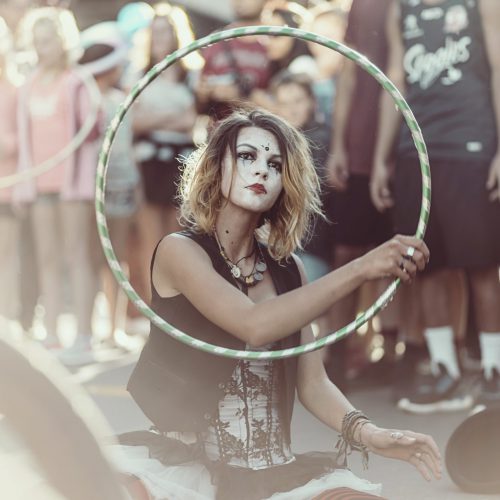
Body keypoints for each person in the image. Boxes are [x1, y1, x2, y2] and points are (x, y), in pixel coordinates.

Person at [110, 107, 440, 500]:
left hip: (273, 475)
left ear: (286, 183)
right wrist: (362, 268)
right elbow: (253, 324)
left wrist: (371, 434)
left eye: (275, 163)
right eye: (247, 157)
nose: (261, 170)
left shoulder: (288, 271)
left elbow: (313, 382)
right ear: (218, 168)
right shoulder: (179, 252)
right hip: (187, 470)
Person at [370, 0, 500, 411]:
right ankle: (445, 369)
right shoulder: (400, 9)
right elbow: (394, 78)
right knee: (424, 262)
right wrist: (381, 156)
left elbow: (498, 67)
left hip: (470, 144)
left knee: (481, 263)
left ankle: (494, 370)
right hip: (416, 149)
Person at [14, 7, 101, 360]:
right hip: (39, 187)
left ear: (62, 41)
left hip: (72, 187)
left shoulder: (77, 81)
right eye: (36, 42)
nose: (41, 48)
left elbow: (92, 131)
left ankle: (84, 335)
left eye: (47, 41)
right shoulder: (29, 84)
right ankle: (50, 334)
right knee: (46, 258)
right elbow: (25, 141)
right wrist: (23, 185)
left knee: (76, 256)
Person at [130, 2, 199, 302]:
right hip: (148, 159)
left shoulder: (191, 74)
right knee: (150, 235)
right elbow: (135, 122)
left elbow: (191, 121)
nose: (160, 38)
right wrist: (171, 120)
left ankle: (178, 301)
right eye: (155, 32)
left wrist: (156, 121)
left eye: (166, 32)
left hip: (181, 159)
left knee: (177, 234)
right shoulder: (140, 73)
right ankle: (152, 304)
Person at [79, 22, 142, 346]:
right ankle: (100, 327)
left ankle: (108, 327)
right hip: (98, 188)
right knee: (103, 258)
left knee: (110, 257)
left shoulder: (117, 101)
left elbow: (125, 148)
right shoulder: (94, 101)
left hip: (113, 187)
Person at [195, 0, 271, 123]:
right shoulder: (216, 40)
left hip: (262, 132)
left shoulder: (276, 42)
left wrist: (237, 97)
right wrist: (204, 94)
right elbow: (199, 107)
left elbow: (283, 108)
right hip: (220, 131)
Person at [0, 16, 19, 336]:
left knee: (8, 254)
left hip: (10, 187)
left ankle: (10, 321)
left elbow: (18, 142)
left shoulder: (15, 90)